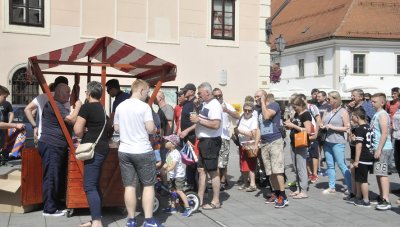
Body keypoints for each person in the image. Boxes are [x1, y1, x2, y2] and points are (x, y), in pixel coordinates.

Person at [114, 79, 163, 227]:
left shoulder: (120, 106)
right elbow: (150, 129)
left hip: (124, 150)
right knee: (148, 185)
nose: (147, 95)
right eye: (147, 92)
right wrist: (154, 128)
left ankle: (131, 220)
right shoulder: (144, 107)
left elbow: (116, 128)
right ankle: (148, 220)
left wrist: (129, 130)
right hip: (142, 150)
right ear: (141, 90)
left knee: (129, 186)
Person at [39, 83, 82, 216]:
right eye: (66, 92)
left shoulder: (58, 104)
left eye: (69, 92)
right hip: (52, 145)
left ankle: (55, 204)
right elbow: (71, 119)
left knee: (56, 176)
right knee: (51, 176)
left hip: (56, 145)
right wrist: (78, 107)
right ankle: (49, 209)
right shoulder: (54, 104)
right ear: (57, 93)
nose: (69, 95)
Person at [73, 81, 109, 227]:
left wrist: (84, 130)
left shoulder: (86, 107)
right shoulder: (102, 108)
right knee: (95, 184)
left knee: (89, 186)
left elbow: (77, 130)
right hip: (102, 149)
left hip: (92, 150)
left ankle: (96, 222)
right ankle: (96, 217)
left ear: (88, 93)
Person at [190, 82, 222, 210]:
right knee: (201, 170)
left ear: (207, 93)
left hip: (211, 142)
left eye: (200, 93)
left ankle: (216, 201)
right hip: (204, 141)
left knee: (213, 171)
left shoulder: (214, 105)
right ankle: (200, 199)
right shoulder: (206, 104)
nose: (198, 95)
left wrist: (199, 120)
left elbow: (215, 124)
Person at [254, 91, 287, 208]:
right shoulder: (258, 111)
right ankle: (276, 192)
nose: (256, 98)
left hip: (275, 141)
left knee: (277, 169)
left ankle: (283, 196)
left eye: (258, 96)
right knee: (270, 171)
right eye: (255, 97)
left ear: (264, 96)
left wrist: (263, 102)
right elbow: (259, 128)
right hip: (264, 143)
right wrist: (256, 144)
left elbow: (267, 116)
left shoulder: (274, 105)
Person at [345, 89, 375, 200]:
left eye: (354, 96)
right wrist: (349, 108)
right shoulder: (354, 107)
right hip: (354, 139)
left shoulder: (366, 106)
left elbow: (371, 121)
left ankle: (360, 194)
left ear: (361, 97)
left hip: (361, 141)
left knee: (357, 167)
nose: (352, 97)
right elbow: (350, 119)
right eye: (351, 96)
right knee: (353, 168)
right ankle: (355, 192)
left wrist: (362, 132)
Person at [320, 91, 352, 195]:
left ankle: (350, 187)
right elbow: (323, 121)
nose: (327, 101)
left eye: (329, 99)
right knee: (330, 165)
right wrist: (322, 125)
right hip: (327, 140)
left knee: (341, 164)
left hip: (338, 141)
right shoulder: (327, 110)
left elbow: (347, 127)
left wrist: (333, 127)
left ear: (336, 99)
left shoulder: (343, 111)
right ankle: (331, 186)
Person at [24, 76, 69, 144]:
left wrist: (35, 126)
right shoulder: (65, 99)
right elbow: (68, 119)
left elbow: (27, 109)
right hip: (57, 139)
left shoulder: (42, 96)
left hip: (42, 136)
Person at [284, 95, 312, 199]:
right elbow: (293, 124)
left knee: (301, 167)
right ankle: (298, 188)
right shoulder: (297, 113)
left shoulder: (306, 114)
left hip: (301, 143)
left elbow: (308, 130)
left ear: (300, 105)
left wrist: (294, 126)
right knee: (296, 167)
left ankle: (304, 191)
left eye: (295, 107)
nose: (293, 109)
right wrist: (288, 124)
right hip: (293, 142)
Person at [213, 88, 239, 191]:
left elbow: (237, 115)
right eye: (216, 96)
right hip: (213, 137)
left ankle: (222, 181)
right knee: (216, 162)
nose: (218, 97)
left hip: (224, 137)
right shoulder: (211, 105)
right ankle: (219, 180)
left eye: (220, 95)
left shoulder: (226, 105)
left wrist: (227, 110)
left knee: (222, 162)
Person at [370, 93, 393, 210]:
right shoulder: (377, 114)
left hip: (383, 148)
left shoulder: (383, 115)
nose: (372, 103)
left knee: (382, 174)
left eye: (374, 102)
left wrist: (379, 149)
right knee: (379, 173)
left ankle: (386, 199)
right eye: (371, 101)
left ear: (382, 103)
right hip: (377, 147)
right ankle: (381, 196)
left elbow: (384, 133)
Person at [162, 134, 193, 217]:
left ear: (173, 144)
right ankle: (173, 207)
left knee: (179, 191)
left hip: (179, 176)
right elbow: (167, 163)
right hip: (172, 176)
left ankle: (187, 207)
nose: (166, 142)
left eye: (168, 141)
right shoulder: (168, 153)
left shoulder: (176, 153)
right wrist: (161, 169)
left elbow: (173, 165)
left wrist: (166, 170)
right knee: (172, 191)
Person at [349, 108, 374, 207]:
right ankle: (363, 197)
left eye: (353, 116)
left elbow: (359, 146)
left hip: (363, 157)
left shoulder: (359, 129)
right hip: (369, 155)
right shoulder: (368, 127)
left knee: (363, 180)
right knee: (362, 178)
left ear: (357, 117)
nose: (352, 118)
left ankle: (366, 200)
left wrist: (356, 160)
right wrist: (355, 139)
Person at [178, 83, 198, 191]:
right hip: (186, 138)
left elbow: (198, 122)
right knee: (189, 162)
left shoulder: (194, 104)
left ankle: (193, 188)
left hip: (192, 138)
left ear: (191, 92)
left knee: (192, 164)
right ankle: (190, 185)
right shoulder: (187, 104)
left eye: (185, 91)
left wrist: (187, 132)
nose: (183, 93)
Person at [235, 102, 258, 192]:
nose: (247, 112)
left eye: (249, 110)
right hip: (242, 144)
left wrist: (240, 131)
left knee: (251, 165)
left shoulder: (253, 119)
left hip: (250, 144)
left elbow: (253, 134)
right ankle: (245, 183)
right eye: (245, 110)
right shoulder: (241, 117)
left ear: (252, 111)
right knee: (242, 165)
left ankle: (253, 184)